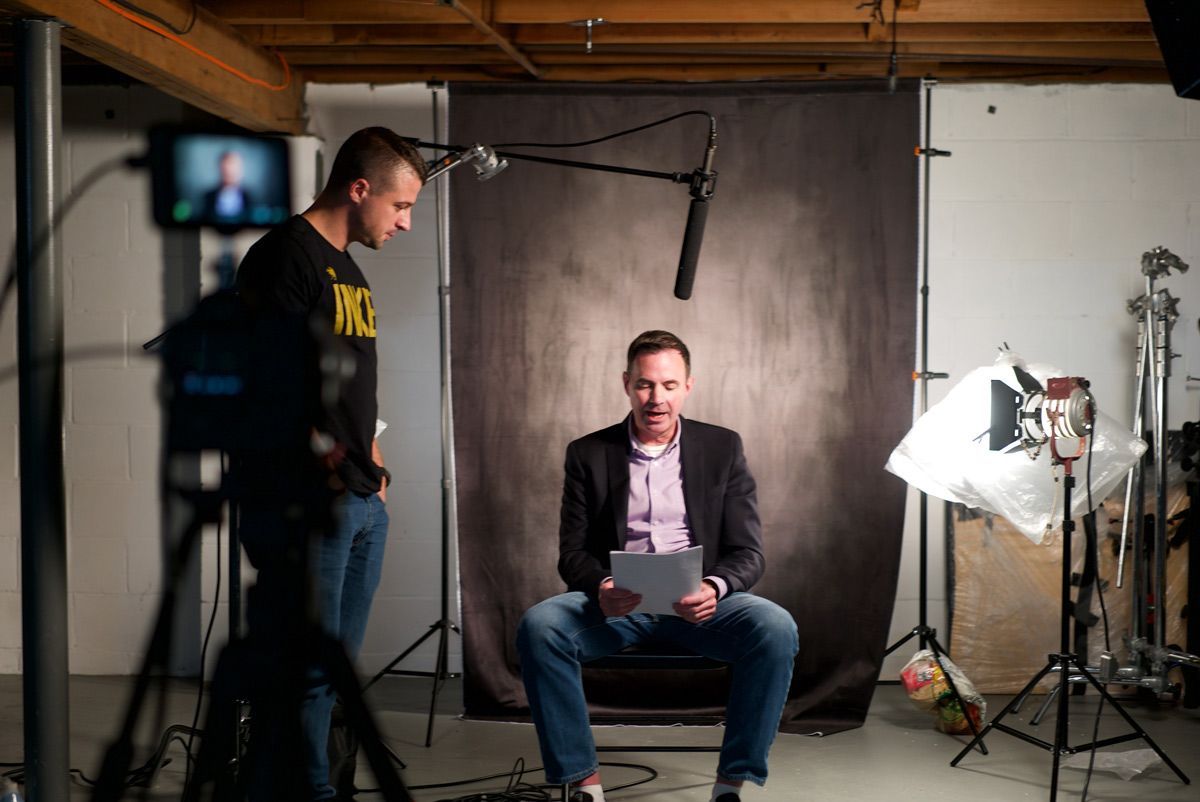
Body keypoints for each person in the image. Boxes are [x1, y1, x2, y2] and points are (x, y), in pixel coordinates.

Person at [516, 330, 799, 802]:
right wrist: (602, 585)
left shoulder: (722, 448)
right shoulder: (588, 453)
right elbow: (572, 553)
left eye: (669, 385)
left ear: (688, 386)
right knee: (540, 626)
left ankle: (731, 783)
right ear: (627, 384)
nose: (656, 398)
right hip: (617, 608)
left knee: (776, 628)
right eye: (645, 385)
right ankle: (584, 785)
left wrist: (714, 586)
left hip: (698, 608)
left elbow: (749, 552)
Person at [233, 127, 426, 801]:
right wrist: (335, 477)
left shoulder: (350, 269)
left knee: (333, 672)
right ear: (360, 188)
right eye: (400, 207)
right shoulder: (282, 257)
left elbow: (349, 389)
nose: (404, 223)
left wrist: (375, 470)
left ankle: (316, 786)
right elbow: (272, 388)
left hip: (360, 501)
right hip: (313, 502)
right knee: (305, 671)